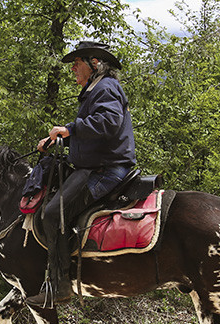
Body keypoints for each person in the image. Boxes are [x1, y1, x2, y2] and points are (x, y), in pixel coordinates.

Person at [26, 40, 137, 308]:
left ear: (94, 63)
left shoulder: (106, 87)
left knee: (53, 214)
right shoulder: (96, 90)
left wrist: (69, 128)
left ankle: (60, 286)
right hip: (97, 166)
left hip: (106, 171)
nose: (73, 68)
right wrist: (58, 140)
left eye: (78, 62)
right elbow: (93, 133)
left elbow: (108, 123)